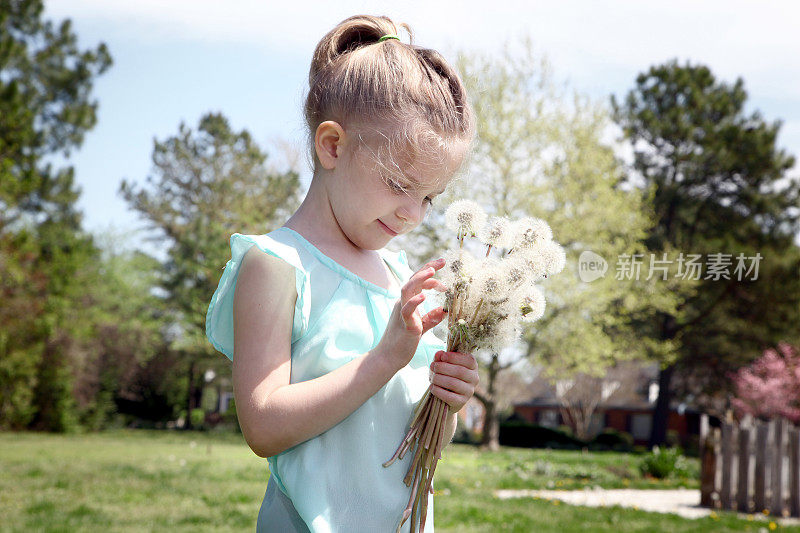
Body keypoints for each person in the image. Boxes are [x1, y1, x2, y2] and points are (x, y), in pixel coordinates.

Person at [205, 14, 478, 533]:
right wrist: (384, 360)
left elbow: (406, 442)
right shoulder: (277, 264)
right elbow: (262, 426)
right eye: (400, 183)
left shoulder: (400, 276)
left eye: (428, 196)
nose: (414, 214)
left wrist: (448, 401)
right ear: (333, 146)